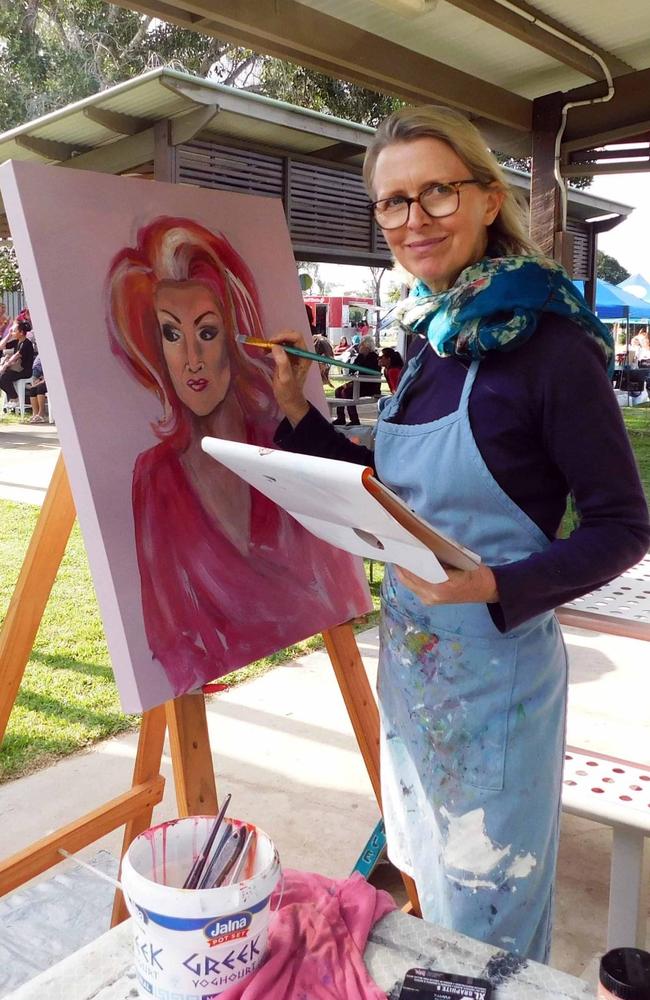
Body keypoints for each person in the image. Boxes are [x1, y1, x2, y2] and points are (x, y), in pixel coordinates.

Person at [268, 106, 650, 962]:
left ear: (485, 198)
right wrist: (297, 409)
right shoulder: (434, 336)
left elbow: (627, 526)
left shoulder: (551, 344)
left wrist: (493, 585)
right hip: (412, 671)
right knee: (429, 882)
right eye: (392, 202)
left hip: (499, 684)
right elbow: (392, 493)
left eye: (434, 191)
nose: (413, 219)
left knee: (491, 919)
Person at [107, 217, 369, 698]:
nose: (191, 359)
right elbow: (172, 643)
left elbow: (333, 582)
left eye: (207, 333)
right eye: (170, 335)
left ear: (237, 338)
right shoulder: (156, 476)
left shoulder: (283, 445)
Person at [332, 334, 381, 425]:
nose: (359, 347)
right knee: (338, 391)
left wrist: (358, 364)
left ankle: (354, 420)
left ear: (367, 346)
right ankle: (341, 418)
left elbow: (368, 371)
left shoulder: (374, 357)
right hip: (360, 383)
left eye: (361, 344)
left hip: (370, 385)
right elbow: (352, 369)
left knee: (347, 392)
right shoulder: (360, 356)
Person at [0, 319, 34, 407]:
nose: (13, 333)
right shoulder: (17, 341)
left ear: (21, 332)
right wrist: (8, 334)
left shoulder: (27, 343)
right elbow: (1, 346)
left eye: (14, 331)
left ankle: (15, 398)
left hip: (25, 371)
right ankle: (13, 398)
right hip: (17, 369)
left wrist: (5, 366)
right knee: (2, 377)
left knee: (4, 377)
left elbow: (17, 355)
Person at [24, 353, 48, 422]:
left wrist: (40, 381)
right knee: (33, 389)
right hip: (43, 380)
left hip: (52, 382)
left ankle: (42, 414)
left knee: (40, 388)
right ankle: (35, 413)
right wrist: (39, 380)